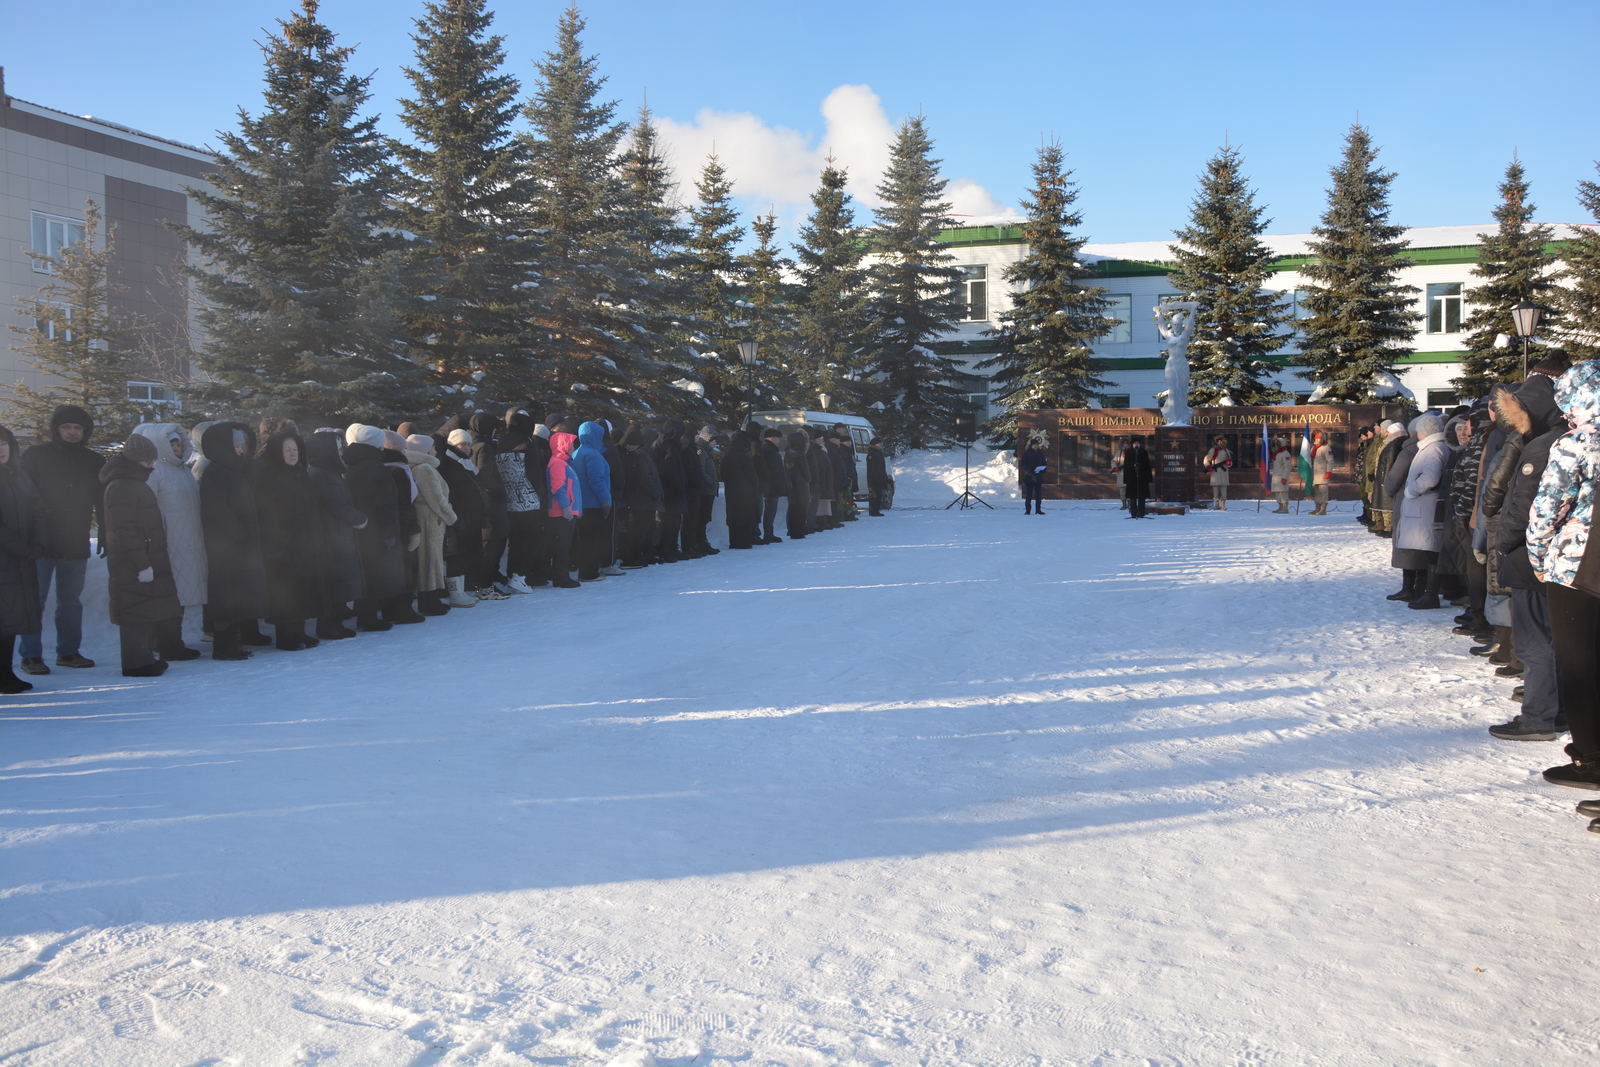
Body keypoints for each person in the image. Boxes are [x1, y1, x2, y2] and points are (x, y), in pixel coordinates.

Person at [1526, 361, 1600, 802]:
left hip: (1576, 566)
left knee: (1577, 665)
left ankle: (1589, 758)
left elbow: (1547, 509)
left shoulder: (1577, 443)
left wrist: (1539, 559)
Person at [1488, 372, 1567, 740]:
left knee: (1534, 642)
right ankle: (1558, 709)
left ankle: (1538, 718)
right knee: (1555, 639)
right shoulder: (1561, 440)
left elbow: (1521, 507)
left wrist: (1503, 543)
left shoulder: (1540, 447)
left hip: (1529, 557)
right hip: (1553, 558)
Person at [17, 404, 105, 674]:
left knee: (70, 602)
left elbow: (101, 500)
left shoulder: (94, 461)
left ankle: (68, 652)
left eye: (77, 428)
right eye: (66, 427)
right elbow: (19, 495)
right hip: (38, 544)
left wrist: (104, 530)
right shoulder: (35, 456)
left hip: (74, 542)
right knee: (34, 600)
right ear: (56, 429)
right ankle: (30, 656)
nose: (72, 432)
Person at [99, 434, 182, 677]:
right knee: (134, 611)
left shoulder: (132, 482)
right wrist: (141, 563)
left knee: (143, 609)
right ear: (135, 461)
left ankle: (144, 658)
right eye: (148, 462)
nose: (152, 466)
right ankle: (136, 662)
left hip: (141, 557)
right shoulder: (122, 485)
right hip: (132, 562)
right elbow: (123, 530)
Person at [131, 423, 205, 660]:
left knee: (178, 596)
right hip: (167, 543)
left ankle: (171, 641)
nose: (176, 448)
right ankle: (167, 643)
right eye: (171, 444)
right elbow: (146, 509)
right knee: (169, 597)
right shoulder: (155, 472)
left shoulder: (182, 470)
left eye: (178, 444)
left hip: (186, 542)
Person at [198, 422, 270, 660]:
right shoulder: (218, 471)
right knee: (226, 597)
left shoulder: (231, 469)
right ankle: (224, 645)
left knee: (236, 596)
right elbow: (216, 509)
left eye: (242, 445)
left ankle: (232, 642)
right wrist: (239, 534)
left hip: (236, 546)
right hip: (226, 548)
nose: (242, 450)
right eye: (237, 446)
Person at [252, 432, 327, 650]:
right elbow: (269, 515)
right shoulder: (269, 478)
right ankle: (286, 636)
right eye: (288, 450)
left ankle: (300, 632)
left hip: (304, 544)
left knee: (303, 591)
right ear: (278, 453)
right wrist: (279, 545)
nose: (293, 454)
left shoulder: (301, 475)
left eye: (295, 449)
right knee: (286, 594)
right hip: (281, 547)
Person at [342, 425, 407, 631]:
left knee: (366, 575)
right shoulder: (375, 467)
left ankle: (366, 616)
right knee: (375, 576)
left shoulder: (351, 464)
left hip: (361, 528)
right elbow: (384, 503)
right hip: (376, 531)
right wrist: (389, 533)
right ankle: (368, 619)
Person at [305, 430, 367, 639]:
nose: (341, 453)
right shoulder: (322, 475)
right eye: (338, 449)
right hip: (331, 538)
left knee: (339, 582)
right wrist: (360, 519)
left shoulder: (327, 472)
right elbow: (336, 505)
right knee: (334, 583)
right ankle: (329, 625)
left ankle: (334, 621)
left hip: (337, 535)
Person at [0, 424, 44, 693]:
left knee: (11, 621)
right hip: (8, 560)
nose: (1, 449)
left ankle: (6, 673)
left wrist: (38, 543)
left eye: (4, 443)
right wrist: (22, 548)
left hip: (18, 563)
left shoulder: (19, 476)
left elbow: (37, 510)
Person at [1391, 414, 1449, 604]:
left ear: (1423, 432)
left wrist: (1411, 490)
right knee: (1426, 549)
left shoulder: (1433, 449)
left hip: (1424, 508)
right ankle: (1422, 592)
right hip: (1422, 509)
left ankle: (1429, 594)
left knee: (1430, 550)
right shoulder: (1432, 448)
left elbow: (1431, 477)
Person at [404, 435, 458, 615]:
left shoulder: (417, 466)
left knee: (429, 558)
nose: (436, 451)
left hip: (427, 516)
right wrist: (451, 517)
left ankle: (429, 599)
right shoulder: (425, 468)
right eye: (433, 447)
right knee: (430, 558)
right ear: (426, 449)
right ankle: (429, 601)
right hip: (429, 518)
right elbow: (436, 498)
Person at [435, 428, 489, 605]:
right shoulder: (448, 465)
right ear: (453, 444)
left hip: (471, 518)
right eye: (462, 444)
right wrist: (457, 517)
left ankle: (463, 589)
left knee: (468, 554)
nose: (466, 447)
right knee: (456, 556)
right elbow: (450, 494)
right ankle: (455, 593)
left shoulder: (466, 463)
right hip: (458, 518)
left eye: (468, 444)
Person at [497, 408, 548, 592]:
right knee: (531, 539)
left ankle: (512, 574)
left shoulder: (500, 441)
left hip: (506, 498)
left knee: (515, 540)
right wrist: (541, 492)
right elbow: (534, 472)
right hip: (527, 498)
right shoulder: (528, 443)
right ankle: (521, 576)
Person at [571, 421, 613, 581]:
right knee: (593, 541)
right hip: (593, 504)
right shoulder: (593, 455)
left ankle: (585, 571)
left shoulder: (576, 453)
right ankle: (589, 573)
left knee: (584, 540)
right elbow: (596, 480)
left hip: (580, 504)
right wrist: (605, 501)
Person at [617, 424, 663, 569]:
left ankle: (643, 555)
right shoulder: (641, 456)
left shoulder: (642, 454)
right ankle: (640, 554)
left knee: (645, 530)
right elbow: (644, 479)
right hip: (642, 501)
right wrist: (655, 493)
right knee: (641, 531)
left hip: (643, 501)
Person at [546, 423, 582, 588]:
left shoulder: (564, 463)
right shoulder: (557, 463)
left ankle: (561, 575)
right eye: (571, 444)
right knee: (562, 546)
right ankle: (561, 578)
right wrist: (566, 508)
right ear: (563, 445)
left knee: (565, 545)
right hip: (561, 512)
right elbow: (558, 489)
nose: (573, 447)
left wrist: (576, 509)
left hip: (566, 511)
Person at [721, 429, 761, 549]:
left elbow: (723, 473)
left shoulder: (727, 455)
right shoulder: (744, 456)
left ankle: (734, 541)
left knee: (733, 517)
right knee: (745, 518)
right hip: (745, 493)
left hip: (731, 491)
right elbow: (752, 475)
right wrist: (755, 486)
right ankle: (743, 542)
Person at [685, 425, 719, 556]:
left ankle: (702, 541)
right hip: (705, 491)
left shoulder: (706, 451)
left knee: (704, 518)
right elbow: (701, 470)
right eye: (713, 440)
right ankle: (699, 542)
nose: (715, 443)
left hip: (708, 491)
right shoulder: (701, 451)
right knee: (701, 519)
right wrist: (710, 481)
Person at [759, 427, 787, 538]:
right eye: (777, 438)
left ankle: (769, 532)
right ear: (771, 438)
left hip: (771, 486)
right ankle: (768, 533)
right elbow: (774, 471)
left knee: (770, 509)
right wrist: (778, 485)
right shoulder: (770, 451)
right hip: (772, 487)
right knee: (770, 510)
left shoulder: (768, 449)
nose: (779, 441)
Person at [786, 431, 812, 539]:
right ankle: (799, 531)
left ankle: (793, 531)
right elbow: (805, 470)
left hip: (791, 485)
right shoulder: (800, 453)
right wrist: (808, 479)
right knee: (801, 510)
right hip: (801, 484)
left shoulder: (788, 452)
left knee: (793, 509)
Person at [1018, 431, 1048, 515]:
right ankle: (1028, 510)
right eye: (1034, 444)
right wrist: (1029, 469)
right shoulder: (1026, 454)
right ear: (1031, 445)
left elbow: (1044, 463)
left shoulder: (1040, 453)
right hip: (1030, 477)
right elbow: (1023, 464)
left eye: (1036, 444)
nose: (1035, 446)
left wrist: (1043, 469)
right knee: (1029, 495)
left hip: (1038, 477)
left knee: (1038, 495)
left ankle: (1038, 510)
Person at [1124, 438, 1153, 518]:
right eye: (1135, 443)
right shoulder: (1129, 453)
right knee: (1133, 497)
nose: (1136, 444)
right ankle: (1133, 513)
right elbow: (1126, 467)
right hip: (1132, 478)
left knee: (1141, 497)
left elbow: (1147, 465)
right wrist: (1126, 478)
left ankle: (1141, 513)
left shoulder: (1144, 453)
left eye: (1138, 443)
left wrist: (1148, 477)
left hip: (1142, 478)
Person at [1203, 436, 1232, 510]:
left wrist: (1229, 463)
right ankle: (1216, 505)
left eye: (1221, 441)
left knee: (1223, 491)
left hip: (1223, 473)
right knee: (1215, 491)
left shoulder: (1226, 451)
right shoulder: (1212, 450)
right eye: (1218, 441)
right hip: (1215, 473)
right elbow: (1206, 459)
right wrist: (1208, 466)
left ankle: (1223, 505)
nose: (1220, 443)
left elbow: (1230, 462)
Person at [1308, 431, 1333, 515]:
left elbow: (1330, 461)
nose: (1316, 440)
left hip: (1323, 473)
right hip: (1316, 474)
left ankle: (1323, 508)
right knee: (1317, 492)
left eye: (1318, 438)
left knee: (1323, 492)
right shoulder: (1315, 448)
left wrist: (1328, 471)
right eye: (1315, 438)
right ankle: (1317, 507)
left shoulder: (1326, 448)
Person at [865, 438, 890, 517]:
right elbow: (871, 469)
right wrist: (875, 478)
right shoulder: (872, 454)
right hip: (874, 479)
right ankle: (873, 511)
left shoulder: (879, 453)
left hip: (879, 478)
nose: (881, 445)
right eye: (879, 443)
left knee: (878, 495)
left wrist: (884, 477)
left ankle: (876, 510)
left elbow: (881, 467)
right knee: (874, 495)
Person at [1269, 437, 1294, 513]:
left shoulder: (1285, 454)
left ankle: (1285, 508)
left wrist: (1284, 477)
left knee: (1283, 493)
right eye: (1275, 445)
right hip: (1276, 477)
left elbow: (1287, 467)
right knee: (1277, 493)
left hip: (1282, 476)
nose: (1276, 446)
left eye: (1277, 444)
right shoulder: (1277, 454)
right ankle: (1280, 506)